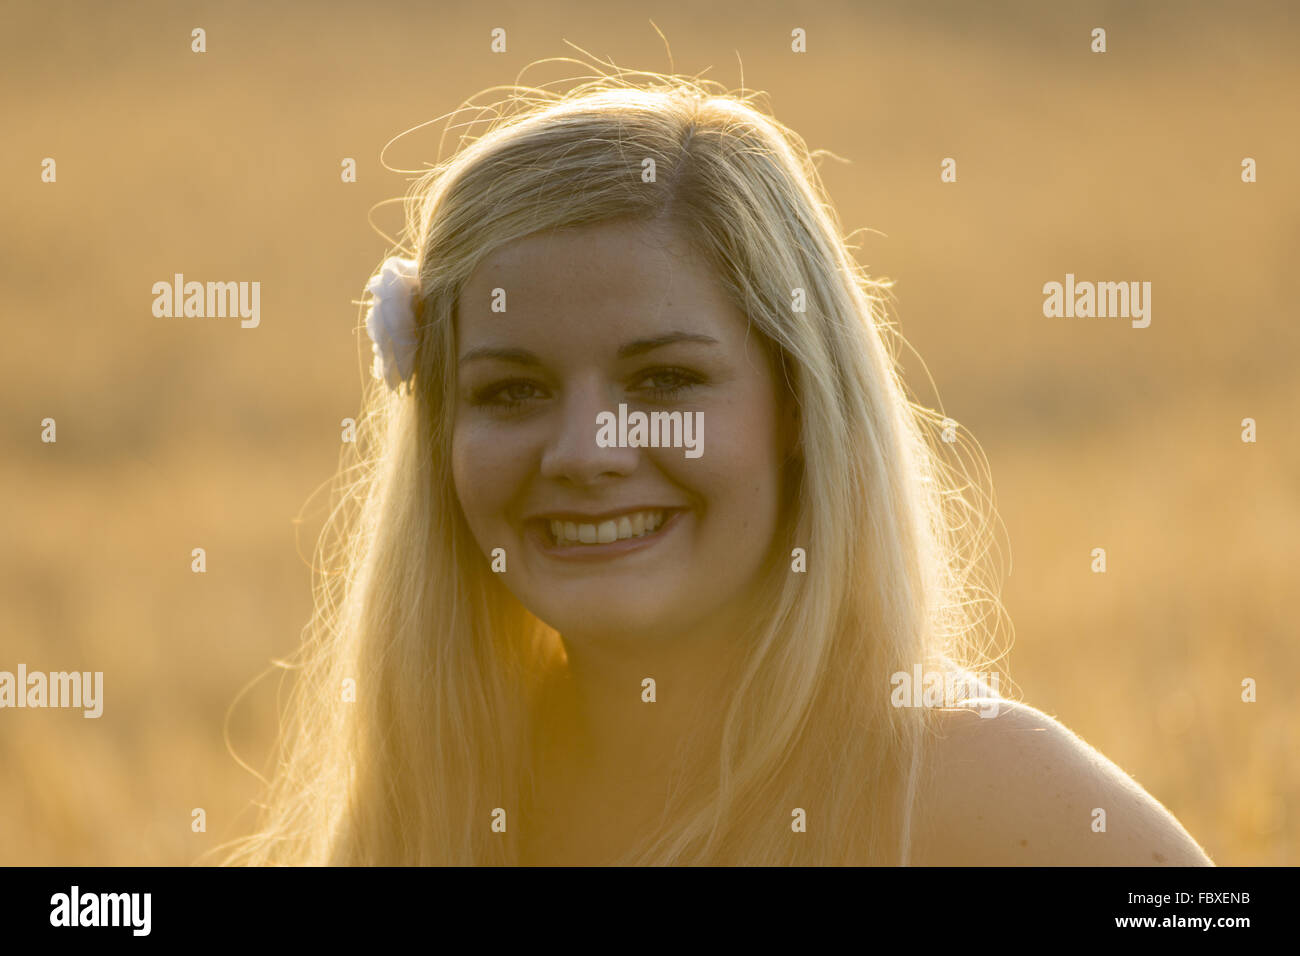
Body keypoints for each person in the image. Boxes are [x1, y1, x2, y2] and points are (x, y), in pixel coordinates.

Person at [219, 70, 1212, 866]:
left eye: (662, 379)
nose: (582, 453)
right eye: (511, 392)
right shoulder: (436, 793)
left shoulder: (986, 795)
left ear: (795, 404)